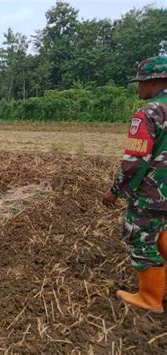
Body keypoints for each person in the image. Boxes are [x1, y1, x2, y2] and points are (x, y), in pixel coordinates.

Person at [103, 56, 167, 313]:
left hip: (153, 193)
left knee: (141, 239)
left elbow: (135, 160)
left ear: (152, 81)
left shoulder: (149, 112)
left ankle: (150, 299)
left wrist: (115, 190)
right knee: (161, 230)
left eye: (140, 83)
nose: (138, 88)